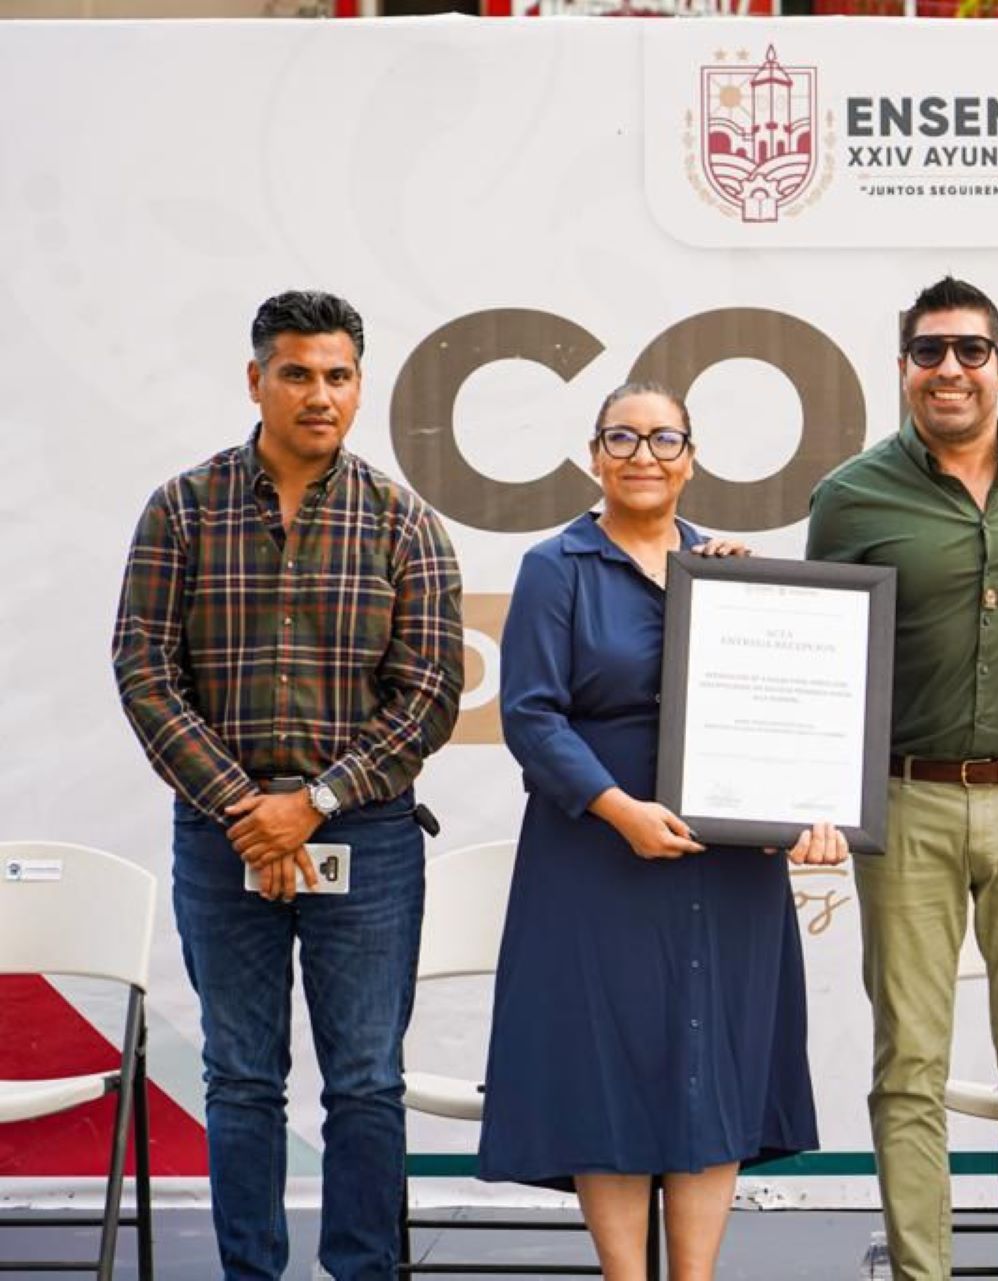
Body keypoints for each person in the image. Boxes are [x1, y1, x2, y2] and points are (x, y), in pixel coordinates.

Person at [112, 290, 465, 1280]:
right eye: (299, 373)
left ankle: (363, 1272)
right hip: (222, 838)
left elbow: (429, 693)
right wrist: (244, 807)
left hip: (370, 837)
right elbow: (144, 669)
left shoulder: (403, 521)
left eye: (339, 375)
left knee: (365, 1083)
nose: (321, 394)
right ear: (256, 378)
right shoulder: (182, 508)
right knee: (240, 1081)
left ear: (360, 385)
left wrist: (309, 805)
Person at [475, 381, 845, 1281]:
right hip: (595, 855)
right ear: (594, 455)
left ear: (692, 456)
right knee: (610, 1064)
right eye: (623, 438)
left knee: (709, 1060)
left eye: (663, 438)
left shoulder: (726, 569)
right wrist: (618, 809)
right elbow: (531, 717)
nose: (644, 454)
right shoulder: (555, 566)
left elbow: (775, 709)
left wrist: (804, 804)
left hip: (723, 867)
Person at [806, 276, 998, 1281]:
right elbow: (818, 659)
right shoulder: (848, 497)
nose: (950, 370)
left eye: (971, 351)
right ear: (903, 369)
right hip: (905, 800)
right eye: (930, 352)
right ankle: (922, 1274)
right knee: (910, 1066)